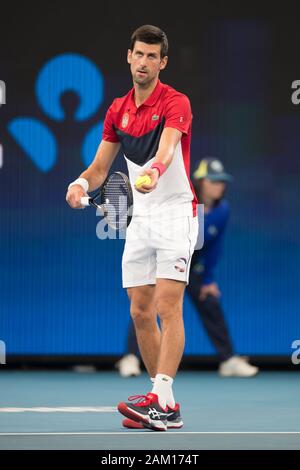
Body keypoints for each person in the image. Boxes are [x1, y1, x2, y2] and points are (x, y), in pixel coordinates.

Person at [66, 25, 198, 431]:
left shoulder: (176, 102)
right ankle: (165, 405)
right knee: (140, 310)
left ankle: (160, 395)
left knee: (166, 306)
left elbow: (168, 147)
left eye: (151, 57)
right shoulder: (117, 110)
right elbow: (100, 167)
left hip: (176, 212)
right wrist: (79, 184)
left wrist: (155, 171)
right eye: (138, 54)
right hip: (141, 220)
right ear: (129, 56)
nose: (143, 63)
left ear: (162, 62)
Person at [116, 157, 259, 379]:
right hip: (165, 257)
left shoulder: (223, 210)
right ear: (201, 182)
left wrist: (208, 278)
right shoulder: (182, 200)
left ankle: (228, 360)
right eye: (214, 180)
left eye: (221, 181)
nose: (219, 185)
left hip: (192, 265)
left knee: (210, 301)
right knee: (144, 306)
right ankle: (131, 358)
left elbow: (215, 247)